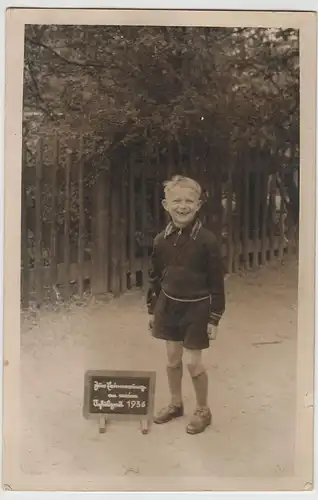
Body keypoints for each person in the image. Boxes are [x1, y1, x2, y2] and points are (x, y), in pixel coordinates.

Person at [147, 175, 225, 435]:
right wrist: (152, 310)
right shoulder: (161, 240)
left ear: (198, 204)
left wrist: (214, 317)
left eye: (189, 201)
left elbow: (217, 282)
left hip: (197, 309)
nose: (182, 206)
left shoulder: (207, 241)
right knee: (172, 360)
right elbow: (156, 278)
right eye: (176, 201)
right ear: (165, 204)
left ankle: (203, 409)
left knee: (193, 363)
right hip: (169, 306)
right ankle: (175, 403)